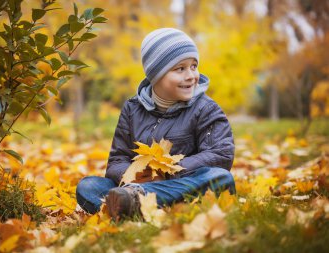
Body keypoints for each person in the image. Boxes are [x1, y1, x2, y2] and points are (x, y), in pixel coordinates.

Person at [76, 28, 236, 221]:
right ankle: (135, 204)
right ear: (156, 74)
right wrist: (135, 175)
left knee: (220, 178)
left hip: (184, 184)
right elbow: (117, 161)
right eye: (180, 68)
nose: (191, 75)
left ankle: (135, 204)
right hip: (136, 184)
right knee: (88, 186)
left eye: (193, 66)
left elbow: (220, 154)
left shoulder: (205, 108)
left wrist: (167, 173)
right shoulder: (132, 109)